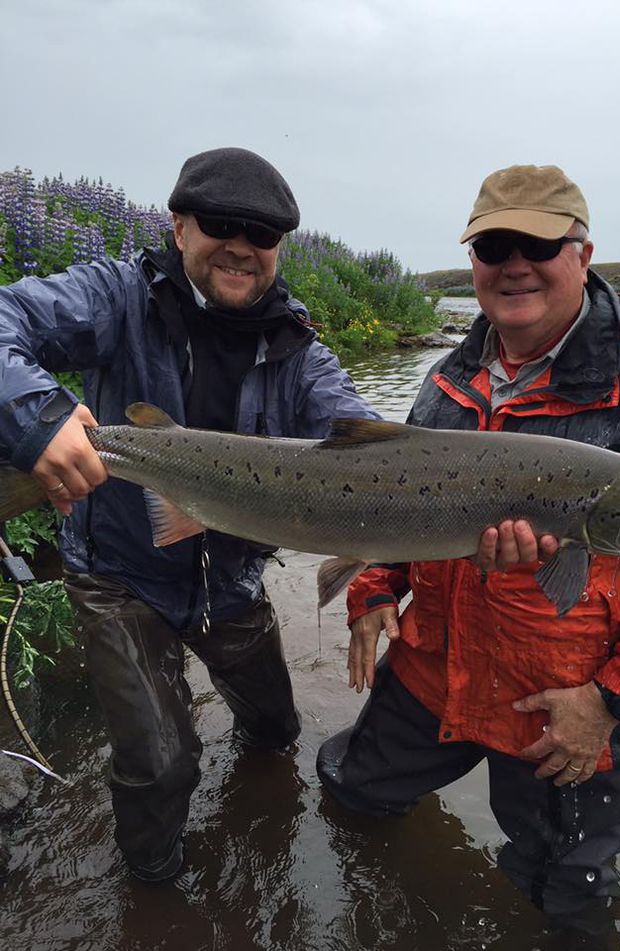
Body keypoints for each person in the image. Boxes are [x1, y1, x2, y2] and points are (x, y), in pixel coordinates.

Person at [317, 164, 620, 932]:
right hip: (435, 672)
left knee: (561, 902)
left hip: (563, 702)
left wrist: (608, 703)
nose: (514, 263)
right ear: (472, 263)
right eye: (494, 245)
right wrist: (370, 596)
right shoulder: (445, 383)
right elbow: (387, 506)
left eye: (538, 242)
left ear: (582, 253)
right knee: (350, 795)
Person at [0, 147, 380, 882]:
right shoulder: (114, 297)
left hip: (229, 581)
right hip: (120, 578)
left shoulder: (300, 351)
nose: (240, 244)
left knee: (275, 731)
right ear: (179, 227)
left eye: (262, 233)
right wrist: (36, 416)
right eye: (220, 224)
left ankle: (260, 833)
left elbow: (361, 435)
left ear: (279, 248)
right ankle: (155, 894)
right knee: (161, 764)